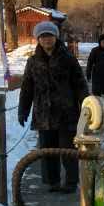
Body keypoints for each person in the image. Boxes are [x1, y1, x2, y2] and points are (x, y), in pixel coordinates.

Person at [18, 20, 89, 193]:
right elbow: (27, 87)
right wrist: (23, 109)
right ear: (38, 40)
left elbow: (80, 84)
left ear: (56, 37)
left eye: (49, 36)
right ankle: (53, 182)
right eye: (42, 36)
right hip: (43, 113)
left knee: (67, 150)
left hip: (67, 112)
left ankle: (71, 182)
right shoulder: (33, 61)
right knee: (48, 151)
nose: (46, 39)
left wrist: (87, 106)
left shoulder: (68, 59)